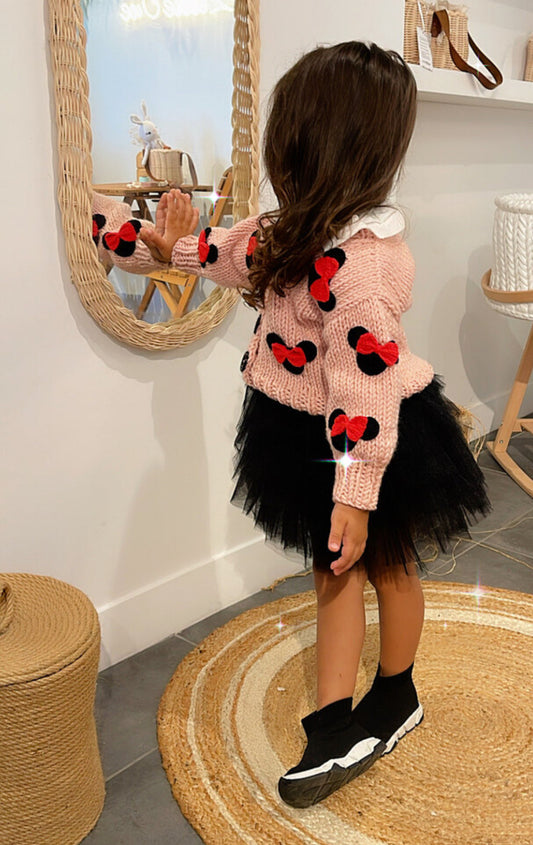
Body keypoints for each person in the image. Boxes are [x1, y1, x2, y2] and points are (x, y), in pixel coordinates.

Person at [100, 41, 492, 809]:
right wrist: (168, 244)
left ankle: (388, 694)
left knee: (383, 564)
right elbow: (232, 255)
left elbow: (362, 384)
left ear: (312, 145)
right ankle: (343, 710)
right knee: (334, 568)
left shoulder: (361, 267)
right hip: (307, 428)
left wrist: (354, 491)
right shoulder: (288, 229)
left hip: (366, 439)